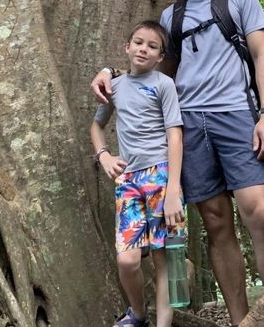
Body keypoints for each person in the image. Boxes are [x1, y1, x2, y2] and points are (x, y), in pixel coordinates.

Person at [92, 0, 264, 325]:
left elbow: (261, 54)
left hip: (237, 115)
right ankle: (241, 321)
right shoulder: (171, 17)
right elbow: (153, 72)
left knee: (262, 216)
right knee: (216, 223)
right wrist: (113, 73)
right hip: (189, 123)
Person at [91, 21, 184, 327]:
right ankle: (139, 315)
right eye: (139, 43)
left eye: (152, 46)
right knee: (128, 260)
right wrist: (104, 155)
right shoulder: (113, 87)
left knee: (165, 259)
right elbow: (96, 126)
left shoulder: (163, 85)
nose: (144, 49)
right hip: (128, 181)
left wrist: (173, 191)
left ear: (160, 56)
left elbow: (174, 136)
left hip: (161, 176)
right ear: (126, 47)